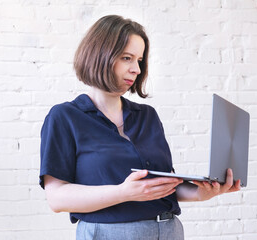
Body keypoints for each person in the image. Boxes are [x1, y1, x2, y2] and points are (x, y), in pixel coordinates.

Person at [39, 15, 241, 240]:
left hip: (169, 230)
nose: (136, 69)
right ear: (99, 56)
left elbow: (161, 185)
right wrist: (122, 193)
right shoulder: (65, 117)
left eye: (139, 60)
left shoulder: (147, 116)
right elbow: (56, 198)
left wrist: (200, 193)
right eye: (127, 58)